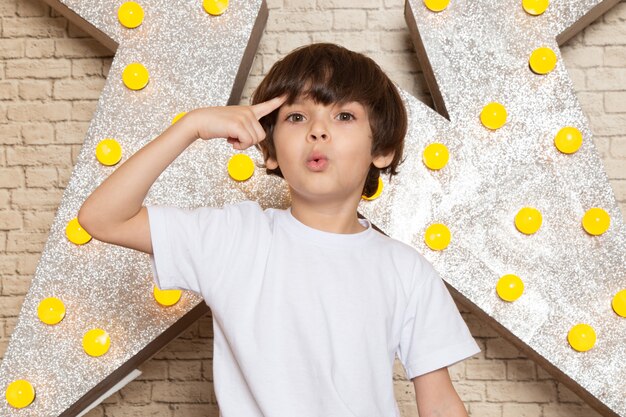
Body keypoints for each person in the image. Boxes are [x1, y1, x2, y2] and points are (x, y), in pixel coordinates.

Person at [78, 43, 480, 417]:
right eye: (296, 116)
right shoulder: (236, 238)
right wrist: (191, 126)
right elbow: (102, 218)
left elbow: (440, 402)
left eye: (344, 116)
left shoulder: (405, 270)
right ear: (269, 152)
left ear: (383, 150)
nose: (317, 130)